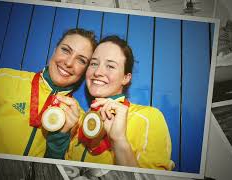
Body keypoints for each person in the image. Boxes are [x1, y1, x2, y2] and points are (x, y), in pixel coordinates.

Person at [49, 35, 174, 170]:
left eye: (110, 66)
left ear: (126, 78)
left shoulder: (148, 117)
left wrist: (119, 140)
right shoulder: (78, 120)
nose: (98, 72)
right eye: (94, 63)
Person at [0, 28, 97, 157]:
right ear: (55, 50)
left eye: (81, 60)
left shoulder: (80, 121)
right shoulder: (2, 79)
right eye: (65, 50)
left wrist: (57, 146)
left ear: (85, 71)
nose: (69, 62)